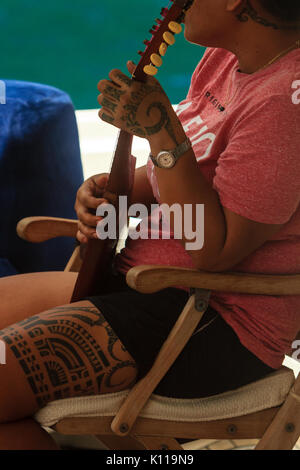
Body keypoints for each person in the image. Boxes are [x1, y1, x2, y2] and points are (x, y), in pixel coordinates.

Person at [0, 0, 299, 450]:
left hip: (208, 320)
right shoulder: (226, 57)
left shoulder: (285, 105)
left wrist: (162, 130)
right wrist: (114, 189)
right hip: (139, 288)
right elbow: (195, 170)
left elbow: (212, 252)